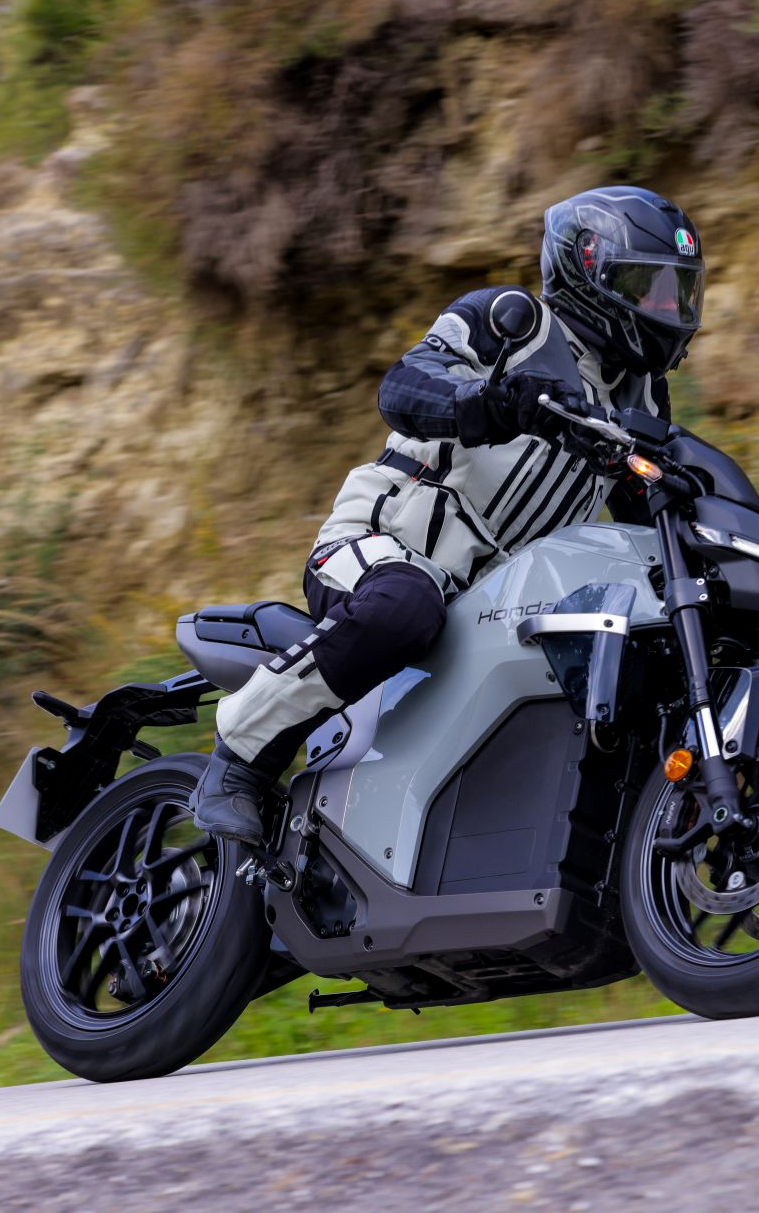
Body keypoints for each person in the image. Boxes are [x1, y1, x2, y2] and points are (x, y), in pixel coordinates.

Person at [190, 186, 706, 847]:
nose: (666, 308)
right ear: (588, 271)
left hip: (493, 606)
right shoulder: (513, 323)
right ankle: (238, 757)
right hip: (380, 545)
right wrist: (492, 403)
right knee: (405, 606)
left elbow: (648, 513)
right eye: (647, 288)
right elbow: (403, 387)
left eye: (675, 292)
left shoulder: (644, 402)